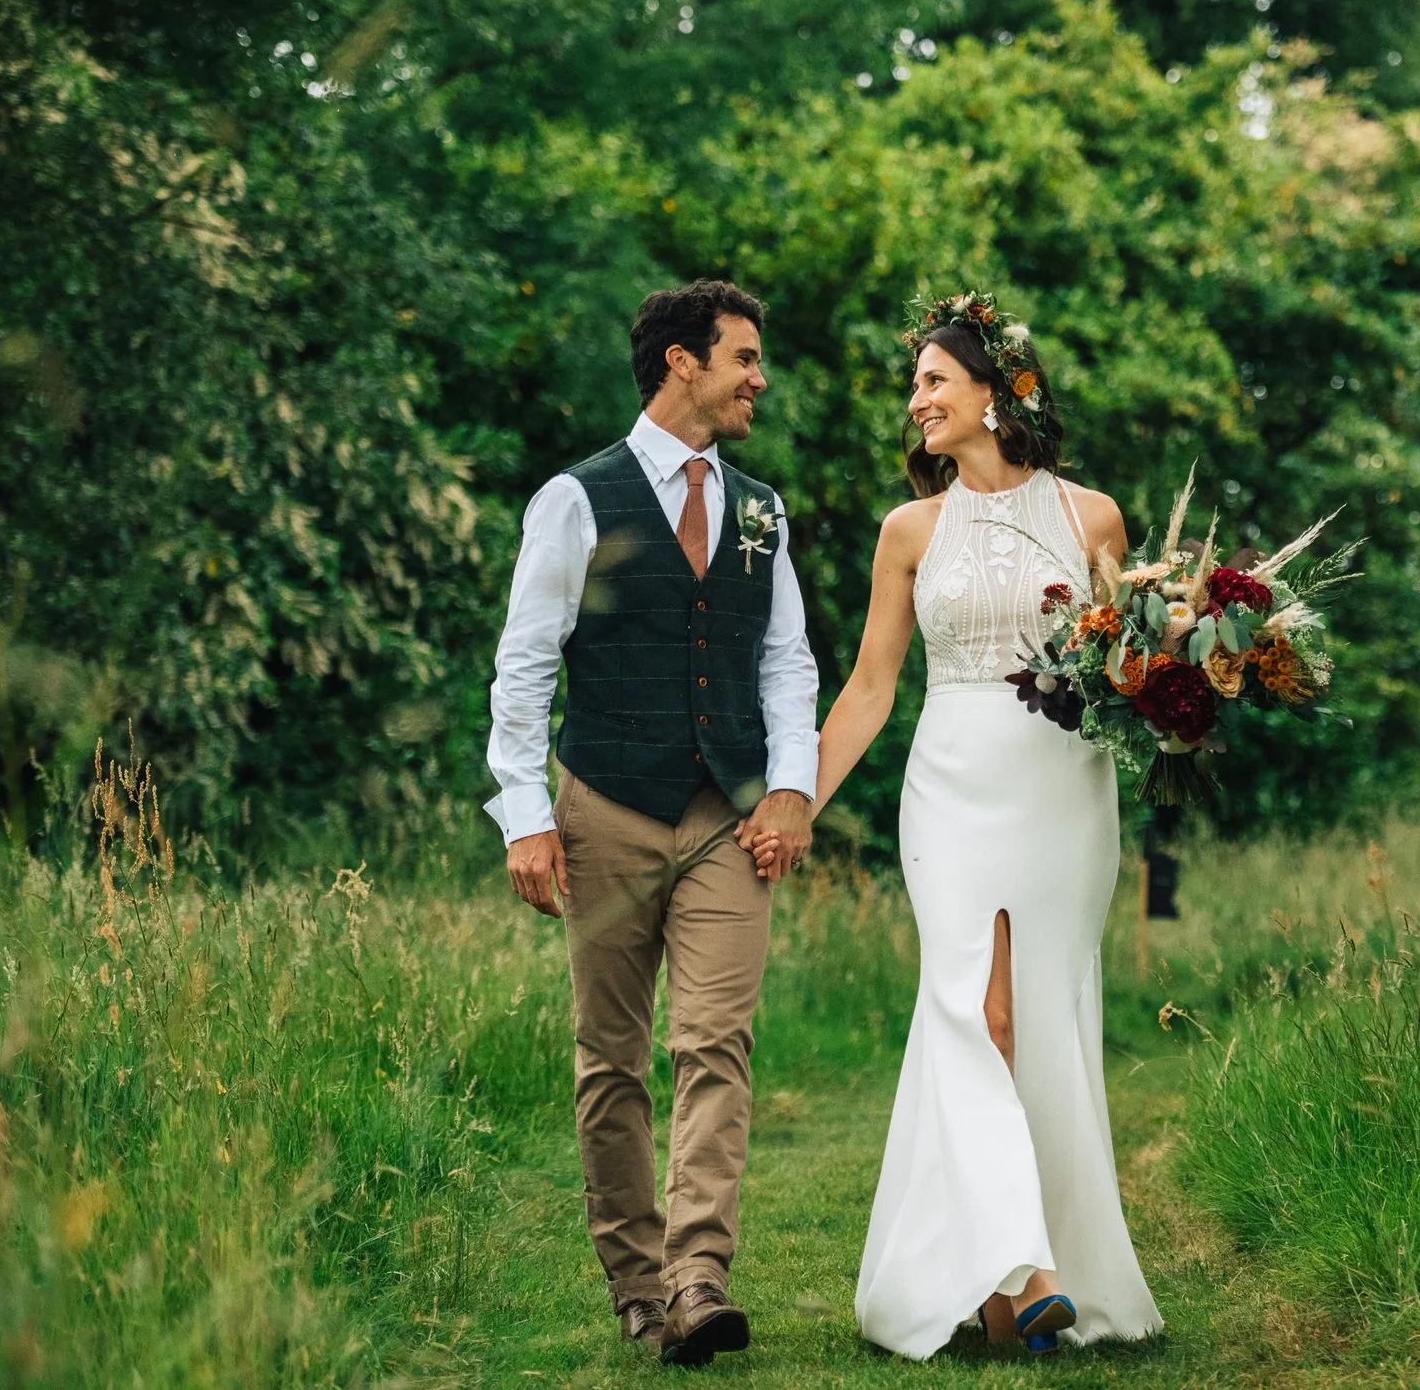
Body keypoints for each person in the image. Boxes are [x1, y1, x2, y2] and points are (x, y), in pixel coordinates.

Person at [784, 293, 1164, 1358]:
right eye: (916, 386)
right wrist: (794, 800)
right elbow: (867, 688)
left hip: (1063, 788)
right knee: (976, 1013)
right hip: (949, 783)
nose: (916, 401)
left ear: (996, 393)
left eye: (933, 380)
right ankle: (1030, 1269)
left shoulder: (1092, 517)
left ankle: (1003, 1296)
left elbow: (1125, 668)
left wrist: (1186, 684)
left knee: (1041, 1018)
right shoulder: (909, 529)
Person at [485, 280, 819, 1367]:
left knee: (715, 1040)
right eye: (744, 358)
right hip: (605, 806)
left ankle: (698, 1275)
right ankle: (636, 1286)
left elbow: (786, 662)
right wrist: (524, 816)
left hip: (726, 809)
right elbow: (525, 664)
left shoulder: (762, 509)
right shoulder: (575, 499)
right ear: (683, 361)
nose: (758, 379)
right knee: (612, 1059)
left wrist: (788, 787)